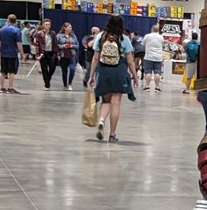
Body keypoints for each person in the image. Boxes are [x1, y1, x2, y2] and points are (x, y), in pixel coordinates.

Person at [87, 13, 137, 141]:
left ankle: (101, 120)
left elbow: (95, 58)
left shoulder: (101, 36)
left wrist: (91, 76)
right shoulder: (124, 38)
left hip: (104, 71)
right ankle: (112, 134)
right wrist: (135, 77)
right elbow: (130, 61)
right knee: (116, 102)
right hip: (119, 71)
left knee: (106, 101)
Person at [0, 14, 23, 94]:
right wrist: (22, 53)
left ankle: (2, 88)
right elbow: (19, 43)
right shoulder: (17, 30)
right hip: (12, 53)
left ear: (8, 20)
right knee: (11, 71)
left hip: (3, 53)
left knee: (2, 71)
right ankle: (10, 88)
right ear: (15, 21)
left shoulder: (2, 29)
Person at [33, 18, 58, 88]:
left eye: (49, 24)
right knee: (44, 70)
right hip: (43, 54)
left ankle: (48, 78)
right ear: (43, 25)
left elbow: (55, 44)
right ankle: (47, 84)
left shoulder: (53, 33)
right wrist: (37, 55)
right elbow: (37, 45)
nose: (48, 26)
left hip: (51, 52)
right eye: (46, 24)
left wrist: (56, 53)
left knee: (52, 68)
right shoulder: (39, 33)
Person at [141, 24, 165, 91]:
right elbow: (162, 45)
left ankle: (147, 86)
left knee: (148, 72)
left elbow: (143, 44)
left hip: (148, 57)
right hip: (158, 57)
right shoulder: (161, 37)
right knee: (157, 72)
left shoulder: (147, 36)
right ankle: (157, 87)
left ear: (152, 29)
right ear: (158, 30)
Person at [56, 22, 78, 88]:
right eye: (69, 27)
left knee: (72, 69)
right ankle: (65, 85)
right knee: (64, 71)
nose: (70, 28)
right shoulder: (59, 36)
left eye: (71, 27)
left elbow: (77, 45)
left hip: (72, 55)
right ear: (65, 28)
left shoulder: (73, 36)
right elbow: (55, 45)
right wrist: (62, 46)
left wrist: (72, 46)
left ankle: (70, 84)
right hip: (63, 55)